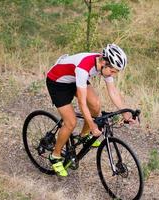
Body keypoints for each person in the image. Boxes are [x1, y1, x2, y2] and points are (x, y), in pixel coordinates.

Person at [45, 44, 135, 177]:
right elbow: (82, 103)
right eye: (113, 71)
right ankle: (55, 155)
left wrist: (125, 112)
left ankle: (83, 136)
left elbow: (113, 92)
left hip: (73, 79)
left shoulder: (105, 66)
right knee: (71, 122)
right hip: (57, 83)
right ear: (104, 62)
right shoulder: (84, 68)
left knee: (96, 105)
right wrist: (92, 125)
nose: (113, 75)